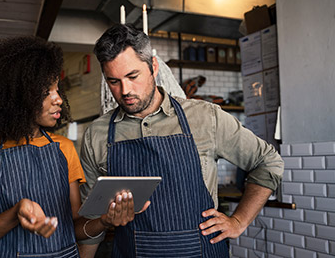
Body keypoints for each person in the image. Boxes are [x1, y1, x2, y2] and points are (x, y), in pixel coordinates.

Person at [77, 24, 284, 257]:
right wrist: (104, 223)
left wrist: (239, 221)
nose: (125, 90)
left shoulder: (205, 117)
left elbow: (268, 161)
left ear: (153, 67)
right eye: (113, 81)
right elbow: (89, 224)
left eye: (133, 76)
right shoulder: (97, 134)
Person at [0, 36, 87, 257]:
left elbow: (74, 226)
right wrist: (14, 214)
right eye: (47, 91)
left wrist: (104, 220)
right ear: (17, 96)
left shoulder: (64, 148)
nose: (59, 99)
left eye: (57, 89)